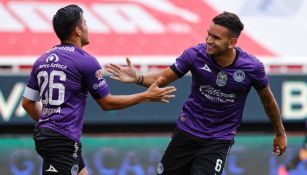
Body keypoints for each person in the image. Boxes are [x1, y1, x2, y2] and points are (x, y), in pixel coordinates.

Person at [106, 11, 288, 175]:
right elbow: (163, 77)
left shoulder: (252, 67)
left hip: (218, 140)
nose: (209, 40)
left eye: (216, 38)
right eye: (208, 34)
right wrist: (138, 77)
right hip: (186, 132)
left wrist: (280, 132)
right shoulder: (194, 55)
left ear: (232, 42)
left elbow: (268, 100)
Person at [21, 4, 176, 175]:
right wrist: (146, 95)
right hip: (61, 140)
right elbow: (107, 103)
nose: (88, 28)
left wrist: (48, 123)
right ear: (78, 30)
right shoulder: (85, 61)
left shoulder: (41, 60)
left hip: (51, 136)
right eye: (85, 23)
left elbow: (27, 103)